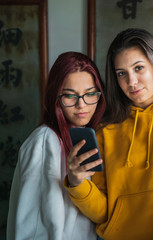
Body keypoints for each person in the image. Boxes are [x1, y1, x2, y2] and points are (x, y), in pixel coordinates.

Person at [64, 28, 153, 240]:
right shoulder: (105, 129)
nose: (131, 82)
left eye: (139, 68)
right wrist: (77, 183)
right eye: (121, 73)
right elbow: (104, 213)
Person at [7, 51, 106, 240]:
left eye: (90, 94)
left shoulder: (85, 137)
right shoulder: (44, 142)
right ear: (56, 97)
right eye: (70, 96)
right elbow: (34, 228)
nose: (81, 105)